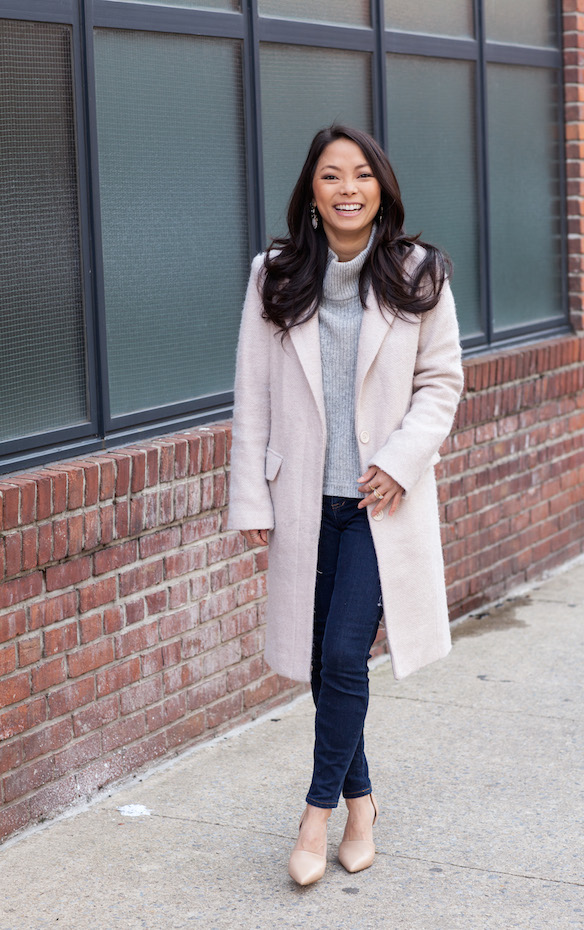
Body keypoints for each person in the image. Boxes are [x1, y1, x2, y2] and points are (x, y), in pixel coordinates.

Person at [227, 125, 463, 886]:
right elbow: (252, 394)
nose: (348, 188)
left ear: (381, 188)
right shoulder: (275, 275)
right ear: (313, 192)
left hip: (376, 503)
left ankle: (315, 816)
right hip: (301, 498)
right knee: (325, 669)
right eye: (332, 176)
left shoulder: (417, 274)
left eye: (362, 175)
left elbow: (441, 384)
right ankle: (363, 803)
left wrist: (399, 461)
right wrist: (250, 498)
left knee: (339, 656)